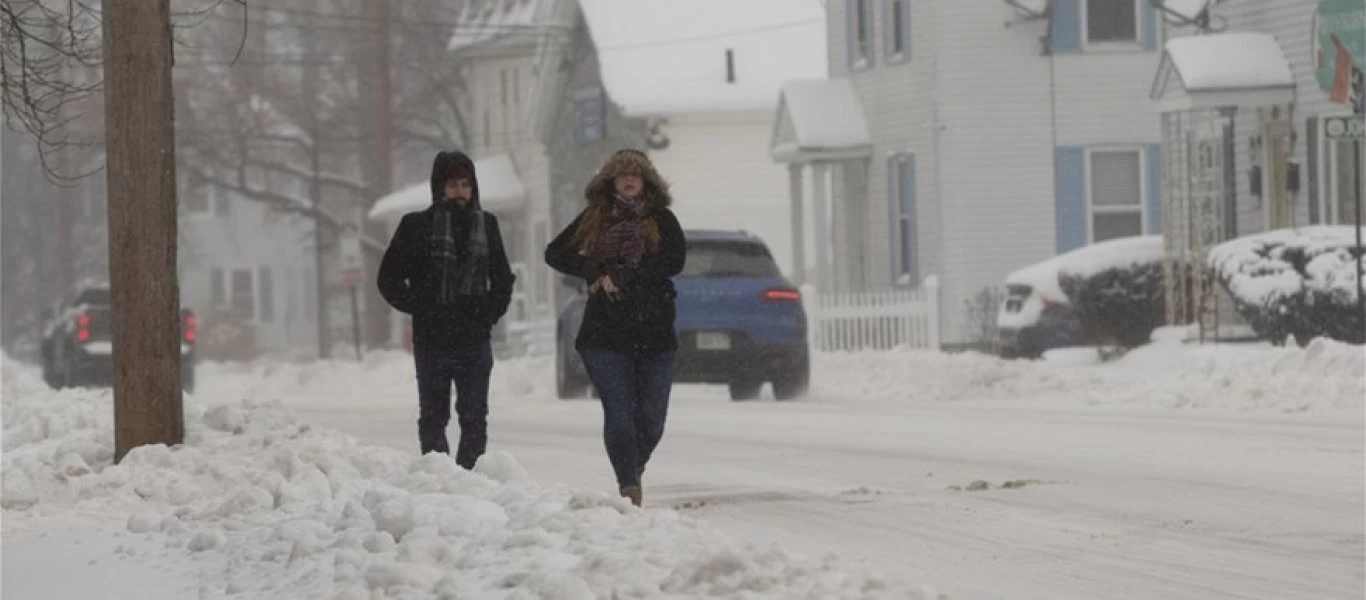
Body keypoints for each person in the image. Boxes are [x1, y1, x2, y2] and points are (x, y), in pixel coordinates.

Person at [544, 149, 686, 507]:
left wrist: (632, 275)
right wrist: (593, 270)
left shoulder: (662, 219)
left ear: (646, 181)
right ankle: (628, 487)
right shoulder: (595, 219)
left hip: (654, 333)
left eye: (635, 174)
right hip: (605, 334)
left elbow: (675, 260)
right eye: (621, 174)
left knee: (651, 419)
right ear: (610, 181)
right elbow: (555, 253)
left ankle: (632, 467)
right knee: (620, 412)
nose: (628, 180)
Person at [377, 150, 516, 468]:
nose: (460, 192)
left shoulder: (487, 225)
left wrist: (487, 314)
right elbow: (389, 278)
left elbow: (503, 279)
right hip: (432, 339)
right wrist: (421, 307)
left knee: (474, 416)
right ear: (440, 188)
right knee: (433, 415)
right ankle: (438, 477)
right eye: (453, 184)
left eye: (466, 184)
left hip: (474, 339)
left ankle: (470, 478)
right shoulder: (416, 227)